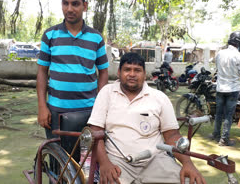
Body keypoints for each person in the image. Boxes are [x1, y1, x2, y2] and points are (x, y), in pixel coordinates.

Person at [88, 52, 206, 184]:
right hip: (118, 160)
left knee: (192, 181)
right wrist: (104, 164)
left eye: (137, 70)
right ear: (119, 72)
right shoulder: (107, 92)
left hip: (155, 159)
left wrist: (187, 163)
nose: (132, 74)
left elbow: (172, 135)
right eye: (127, 69)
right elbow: (95, 131)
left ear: (145, 74)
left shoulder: (159, 97)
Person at [36, 0, 109, 161]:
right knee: (57, 160)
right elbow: (42, 72)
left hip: (88, 111)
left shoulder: (96, 37)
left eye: (75, 4)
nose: (69, 9)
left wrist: (100, 105)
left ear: (85, 6)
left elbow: (104, 72)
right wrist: (42, 106)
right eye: (65, 3)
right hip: (55, 112)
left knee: (86, 159)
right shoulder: (50, 35)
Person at [210, 31, 240, 146]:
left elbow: (217, 67)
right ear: (239, 42)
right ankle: (224, 140)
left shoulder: (220, 53)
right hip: (232, 89)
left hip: (220, 88)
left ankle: (216, 134)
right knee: (228, 115)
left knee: (218, 113)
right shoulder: (238, 55)